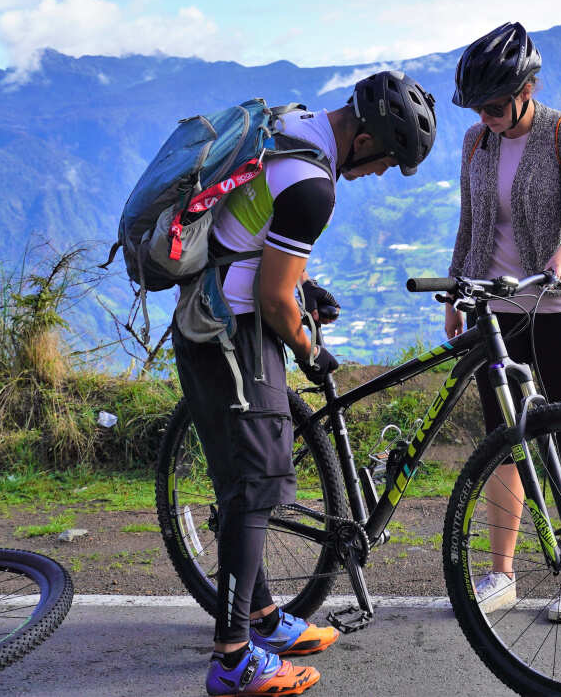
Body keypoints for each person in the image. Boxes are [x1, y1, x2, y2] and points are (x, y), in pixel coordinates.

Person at [175, 70, 437, 696]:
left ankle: (262, 617)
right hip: (233, 334)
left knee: (244, 486)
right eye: (388, 161)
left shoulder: (294, 126)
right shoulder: (314, 186)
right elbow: (270, 295)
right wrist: (307, 346)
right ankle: (233, 657)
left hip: (211, 317)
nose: (379, 175)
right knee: (258, 486)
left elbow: (252, 235)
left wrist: (302, 290)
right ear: (369, 137)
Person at [444, 21, 561, 623]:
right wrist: (457, 292)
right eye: (476, 107)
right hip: (497, 309)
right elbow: (470, 223)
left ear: (527, 87)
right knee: (503, 443)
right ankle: (501, 574)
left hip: (559, 305)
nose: (484, 116)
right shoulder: (474, 143)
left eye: (492, 104)